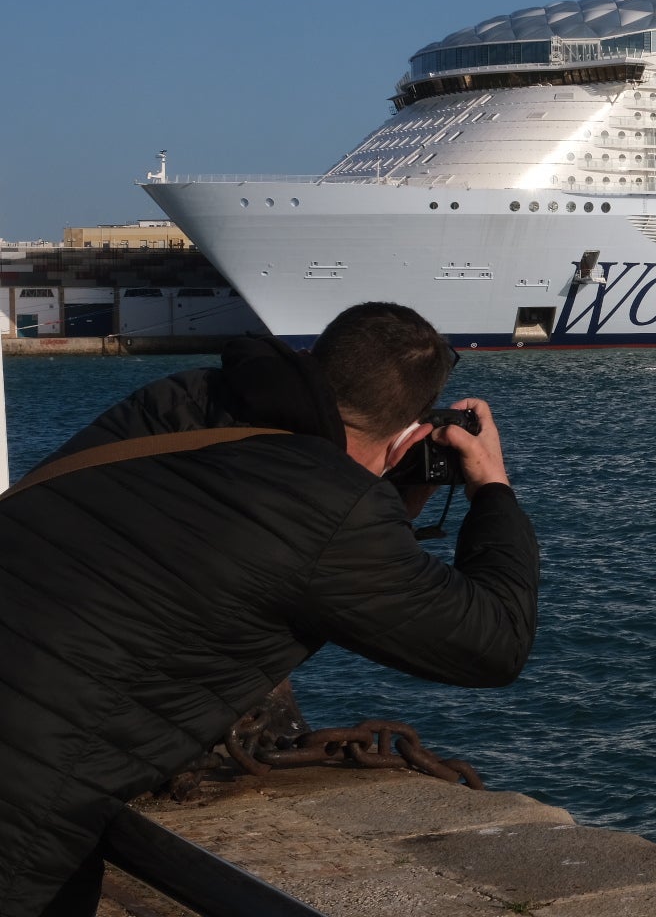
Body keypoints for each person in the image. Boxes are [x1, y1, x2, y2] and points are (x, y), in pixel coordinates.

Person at [0, 302, 538, 916]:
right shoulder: (335, 515)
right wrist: (491, 487)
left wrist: (384, 499)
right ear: (413, 435)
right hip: (25, 801)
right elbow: (497, 641)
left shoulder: (181, 399)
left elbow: (206, 540)